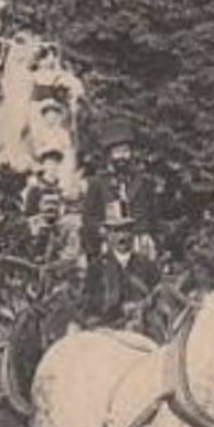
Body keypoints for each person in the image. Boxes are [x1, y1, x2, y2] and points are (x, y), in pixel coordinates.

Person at [81, 118, 158, 260]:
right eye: (117, 152)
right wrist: (102, 231)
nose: (122, 156)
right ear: (109, 155)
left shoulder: (143, 182)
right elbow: (88, 218)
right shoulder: (98, 183)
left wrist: (145, 234)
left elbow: (153, 215)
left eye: (125, 151)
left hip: (138, 242)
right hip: (109, 241)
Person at [82, 210, 161, 328]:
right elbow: (89, 302)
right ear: (108, 235)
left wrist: (142, 305)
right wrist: (119, 309)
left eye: (126, 230)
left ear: (133, 234)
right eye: (116, 231)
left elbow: (158, 293)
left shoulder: (146, 264)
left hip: (142, 327)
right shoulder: (97, 266)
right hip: (108, 328)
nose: (122, 236)